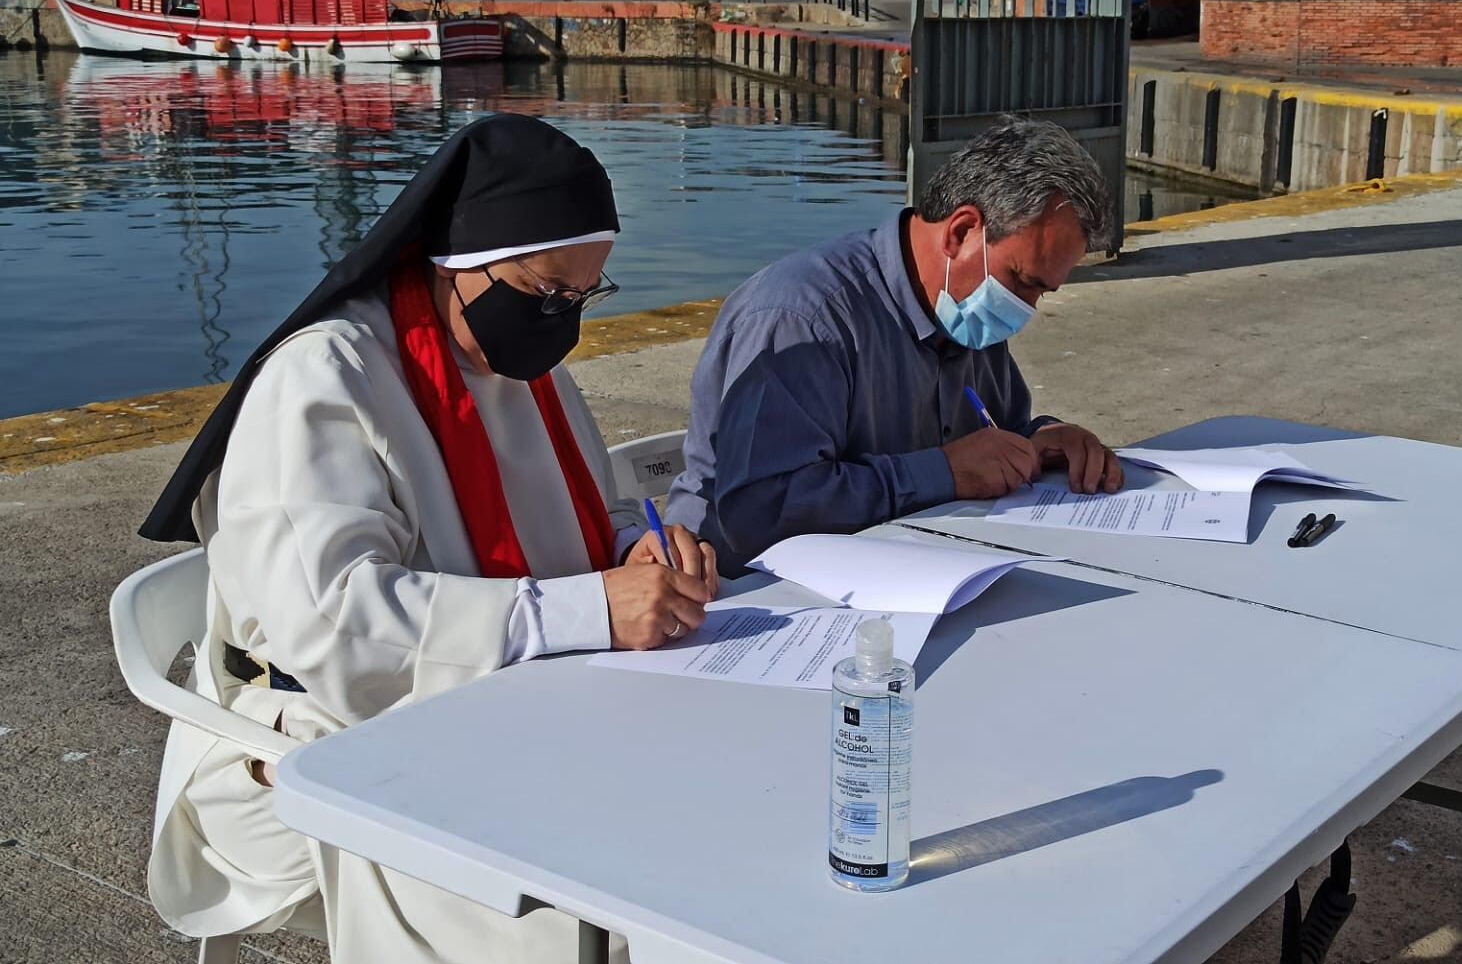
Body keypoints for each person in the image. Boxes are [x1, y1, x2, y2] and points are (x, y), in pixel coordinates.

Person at [138, 115, 717, 963]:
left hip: (503, 704)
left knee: (695, 810)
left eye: (585, 296)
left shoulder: (518, 362)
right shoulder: (326, 377)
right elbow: (338, 627)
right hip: (304, 737)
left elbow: (587, 512)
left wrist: (637, 548)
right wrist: (590, 607)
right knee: (607, 900)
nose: (562, 321)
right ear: (457, 265)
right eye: (547, 292)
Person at [665, 119, 1124, 572]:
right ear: (961, 232)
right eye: (1022, 282)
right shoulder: (802, 319)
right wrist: (943, 473)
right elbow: (762, 513)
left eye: (1042, 292)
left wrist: (1038, 442)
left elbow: (992, 434)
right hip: (755, 601)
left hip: (915, 571)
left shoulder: (965, 305)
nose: (1025, 308)